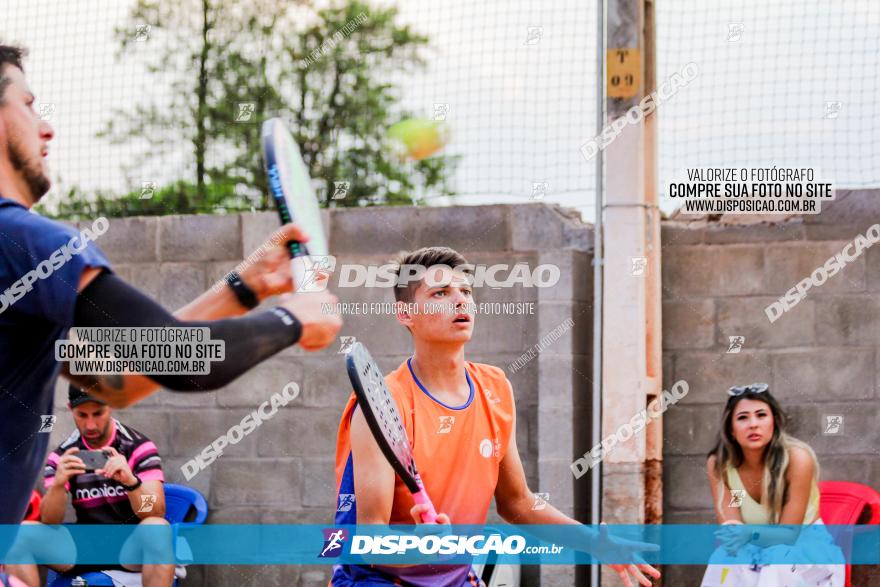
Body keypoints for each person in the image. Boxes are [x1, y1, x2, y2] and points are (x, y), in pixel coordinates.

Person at [0, 42, 341, 535]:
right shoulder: (29, 243)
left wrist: (244, 288)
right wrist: (293, 317)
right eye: (28, 106)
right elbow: (181, 360)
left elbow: (128, 377)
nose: (47, 126)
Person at [331, 246, 661, 587]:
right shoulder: (382, 404)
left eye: (466, 292)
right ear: (405, 314)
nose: (460, 301)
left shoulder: (495, 388)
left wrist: (593, 542)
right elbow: (368, 542)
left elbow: (517, 502)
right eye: (441, 293)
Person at [4, 386, 176, 587]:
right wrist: (58, 485)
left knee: (157, 529)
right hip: (85, 543)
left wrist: (132, 483)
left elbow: (156, 511)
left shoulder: (138, 446)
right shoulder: (62, 455)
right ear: (70, 409)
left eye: (97, 413)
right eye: (82, 415)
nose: (91, 424)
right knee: (18, 534)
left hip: (130, 544)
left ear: (110, 406)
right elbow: (51, 520)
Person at [701, 383, 844, 587]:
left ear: (774, 422)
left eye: (761, 415)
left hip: (806, 551)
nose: (753, 424)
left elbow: (788, 534)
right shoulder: (721, 465)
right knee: (723, 557)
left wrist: (747, 536)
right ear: (731, 430)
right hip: (756, 548)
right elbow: (732, 526)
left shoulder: (797, 458)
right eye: (742, 418)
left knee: (776, 560)